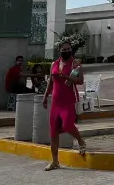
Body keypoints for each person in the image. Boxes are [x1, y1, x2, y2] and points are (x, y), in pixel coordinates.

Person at [43, 41, 87, 171]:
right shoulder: (54, 64)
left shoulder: (75, 63)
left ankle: (80, 140)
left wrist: (68, 76)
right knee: (53, 132)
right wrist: (45, 97)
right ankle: (55, 161)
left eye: (69, 49)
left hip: (68, 101)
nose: (67, 51)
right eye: (64, 49)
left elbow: (80, 81)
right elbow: (50, 82)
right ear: (59, 50)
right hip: (56, 102)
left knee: (67, 124)